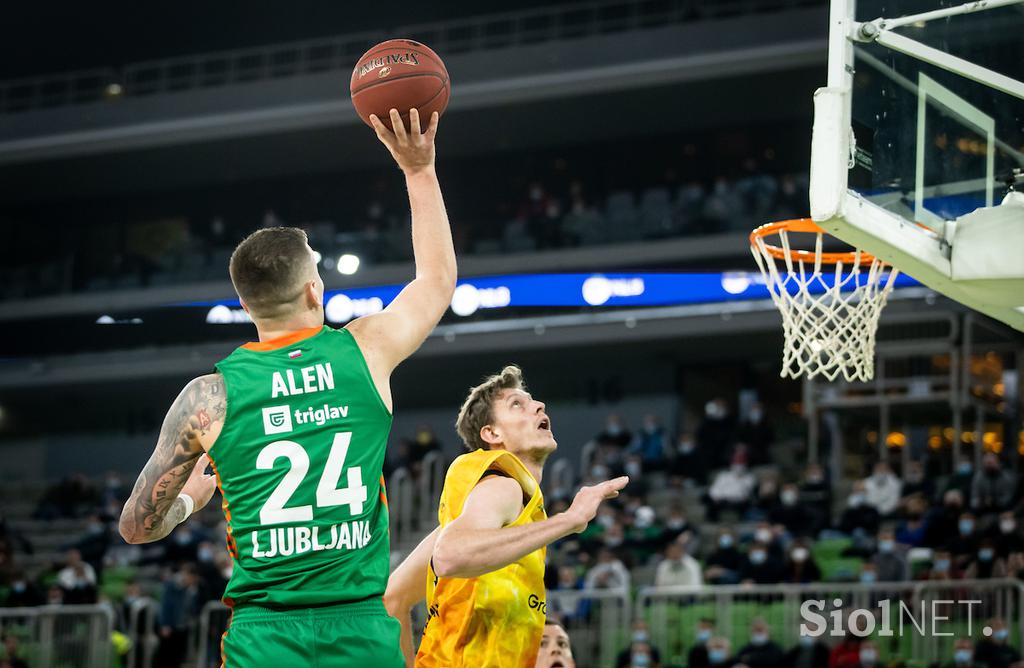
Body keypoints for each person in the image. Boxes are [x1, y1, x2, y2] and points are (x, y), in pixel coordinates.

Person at [118, 107, 456, 667]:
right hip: (361, 626)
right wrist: (419, 169)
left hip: (264, 635)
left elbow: (136, 527)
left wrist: (186, 501)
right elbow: (437, 279)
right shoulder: (364, 349)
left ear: (246, 305)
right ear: (313, 291)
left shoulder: (208, 399)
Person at [384, 365, 628, 667]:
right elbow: (450, 556)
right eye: (517, 404)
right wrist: (569, 520)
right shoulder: (504, 486)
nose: (538, 405)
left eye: (534, 401)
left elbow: (393, 598)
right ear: (492, 433)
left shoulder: (474, 517)